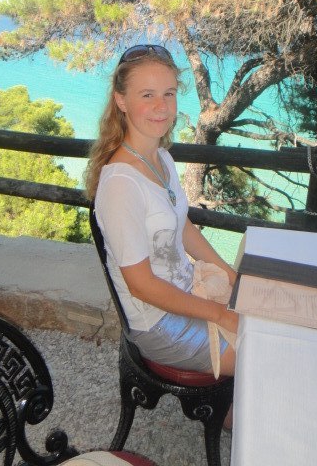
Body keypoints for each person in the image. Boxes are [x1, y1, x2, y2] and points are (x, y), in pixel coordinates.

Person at [85, 44, 238, 381]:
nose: (162, 107)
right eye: (148, 95)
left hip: (186, 290)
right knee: (264, 354)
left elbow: (183, 227)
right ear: (121, 101)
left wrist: (230, 276)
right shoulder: (121, 184)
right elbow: (142, 286)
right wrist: (219, 314)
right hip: (158, 323)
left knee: (268, 322)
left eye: (169, 94)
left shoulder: (162, 158)